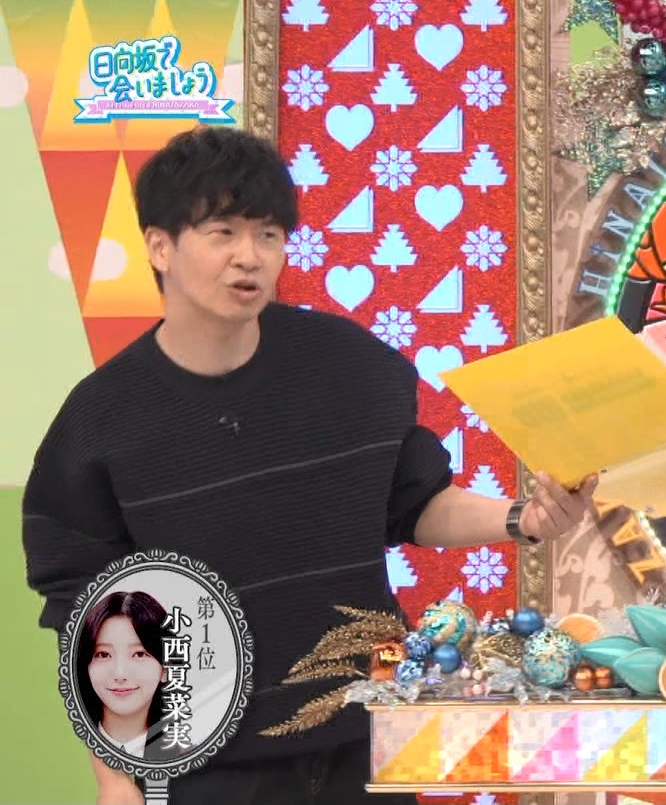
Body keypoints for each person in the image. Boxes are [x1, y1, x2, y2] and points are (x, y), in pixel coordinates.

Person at [22, 127, 598, 805]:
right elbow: (85, 610)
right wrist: (115, 777)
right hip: (207, 764)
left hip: (368, 734)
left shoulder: (350, 366)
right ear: (160, 246)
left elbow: (415, 504)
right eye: (223, 232)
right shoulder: (100, 421)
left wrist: (523, 518)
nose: (250, 256)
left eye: (268, 234)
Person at [77, 591, 187, 763]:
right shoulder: (60, 754)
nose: (120, 674)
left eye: (139, 654)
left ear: (166, 668)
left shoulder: (194, 765)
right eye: (103, 654)